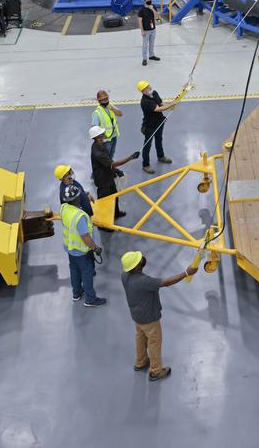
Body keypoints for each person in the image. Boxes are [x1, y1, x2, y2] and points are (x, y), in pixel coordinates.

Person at [120, 250, 197, 381]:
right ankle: (155, 371)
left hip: (137, 316)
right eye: (139, 260)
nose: (142, 260)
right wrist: (186, 273)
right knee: (154, 342)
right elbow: (165, 282)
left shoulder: (124, 275)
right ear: (136, 266)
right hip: (149, 318)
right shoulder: (143, 281)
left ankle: (141, 362)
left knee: (140, 338)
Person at [61, 182, 106, 307]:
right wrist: (95, 248)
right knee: (87, 273)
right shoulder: (79, 216)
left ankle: (76, 294)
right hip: (81, 251)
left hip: (70, 248)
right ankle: (90, 299)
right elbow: (85, 237)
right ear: (77, 198)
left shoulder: (64, 208)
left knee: (74, 270)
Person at [90, 125, 137, 220]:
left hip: (109, 177)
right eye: (102, 134)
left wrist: (116, 172)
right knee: (104, 202)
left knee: (114, 196)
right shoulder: (97, 152)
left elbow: (109, 162)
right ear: (98, 137)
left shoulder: (101, 145)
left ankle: (115, 213)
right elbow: (113, 163)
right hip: (103, 181)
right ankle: (103, 224)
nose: (104, 135)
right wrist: (131, 157)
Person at [137, 80, 175, 174]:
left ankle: (161, 156)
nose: (148, 88)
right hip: (149, 126)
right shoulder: (144, 102)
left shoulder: (155, 93)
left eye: (148, 86)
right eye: (145, 88)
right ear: (142, 91)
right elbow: (158, 109)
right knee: (147, 144)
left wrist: (171, 104)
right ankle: (145, 165)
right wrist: (171, 105)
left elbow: (161, 104)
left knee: (159, 139)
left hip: (159, 122)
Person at [91, 90, 123, 159]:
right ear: (99, 101)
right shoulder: (97, 113)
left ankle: (110, 168)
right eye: (103, 100)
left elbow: (120, 114)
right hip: (105, 141)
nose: (106, 101)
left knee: (111, 155)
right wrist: (101, 139)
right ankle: (106, 169)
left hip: (114, 137)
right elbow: (94, 129)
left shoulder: (110, 108)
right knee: (106, 158)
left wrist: (112, 108)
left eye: (106, 99)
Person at [138, 0, 159, 66]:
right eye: (148, 0)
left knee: (152, 43)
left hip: (153, 29)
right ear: (144, 1)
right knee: (145, 45)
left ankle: (151, 55)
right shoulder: (141, 10)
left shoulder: (153, 7)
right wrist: (142, 31)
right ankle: (144, 58)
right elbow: (140, 21)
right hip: (146, 30)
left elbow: (157, 16)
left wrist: (152, 8)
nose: (150, 0)